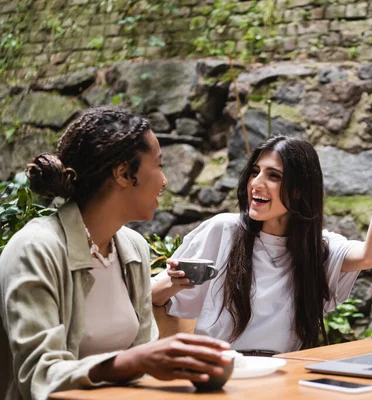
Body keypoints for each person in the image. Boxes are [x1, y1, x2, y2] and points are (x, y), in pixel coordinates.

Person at [152, 107, 372, 353]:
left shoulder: (317, 249)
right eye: (255, 172)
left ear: (298, 191)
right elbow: (151, 295)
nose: (257, 182)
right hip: (224, 373)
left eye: (274, 176)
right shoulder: (224, 229)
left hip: (288, 374)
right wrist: (174, 283)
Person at [0, 107, 231, 400]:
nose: (165, 181)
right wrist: (136, 361)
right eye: (158, 166)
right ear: (123, 174)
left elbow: (145, 364)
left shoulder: (131, 248)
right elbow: (38, 375)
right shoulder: (35, 249)